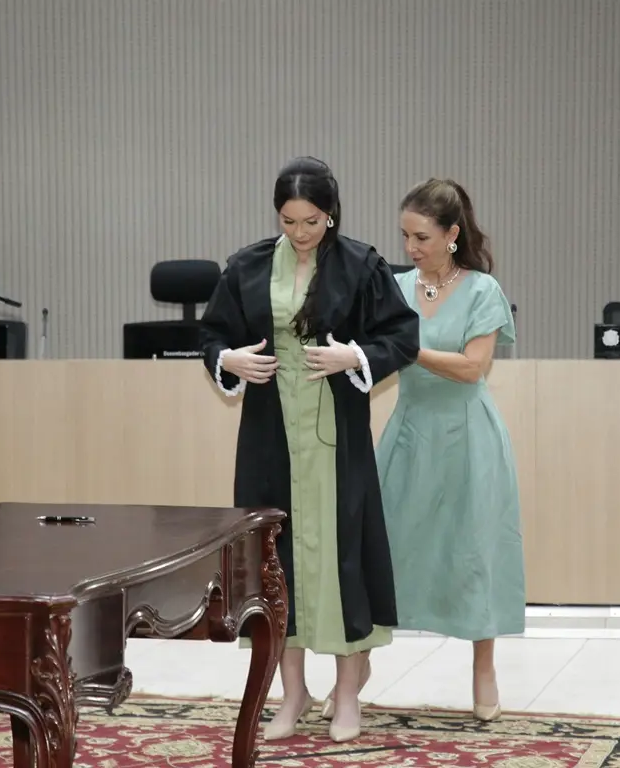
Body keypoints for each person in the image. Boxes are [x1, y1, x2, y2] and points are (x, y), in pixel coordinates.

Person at [198, 157, 420, 743]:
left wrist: (355, 358)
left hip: (337, 442)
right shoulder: (245, 266)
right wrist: (229, 361)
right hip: (269, 440)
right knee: (276, 567)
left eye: (312, 221)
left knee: (344, 563)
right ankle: (292, 693)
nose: (300, 232)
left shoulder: (361, 265)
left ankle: (348, 693)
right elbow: (212, 334)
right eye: (290, 220)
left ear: (331, 213)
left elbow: (402, 335)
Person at [362, 178, 525, 721]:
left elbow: (473, 367)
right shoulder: (396, 288)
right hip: (410, 429)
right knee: (384, 545)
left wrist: (409, 348)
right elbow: (373, 356)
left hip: (467, 432)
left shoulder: (483, 291)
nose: (410, 248)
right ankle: (359, 656)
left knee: (473, 549)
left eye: (422, 237)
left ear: (453, 235)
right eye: (405, 236)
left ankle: (483, 666)